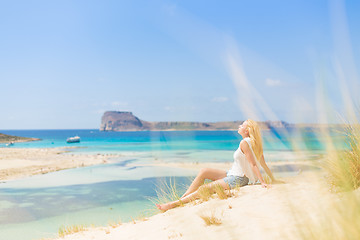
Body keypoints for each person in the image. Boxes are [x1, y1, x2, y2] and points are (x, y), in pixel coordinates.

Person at [156, 119, 283, 211]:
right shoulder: (256, 143)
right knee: (204, 171)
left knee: (203, 190)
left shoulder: (244, 143)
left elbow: (254, 164)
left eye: (242, 125)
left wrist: (262, 182)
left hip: (238, 179)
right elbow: (264, 164)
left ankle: (173, 205)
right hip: (232, 173)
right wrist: (273, 179)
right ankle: (183, 198)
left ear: (247, 130)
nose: (239, 126)